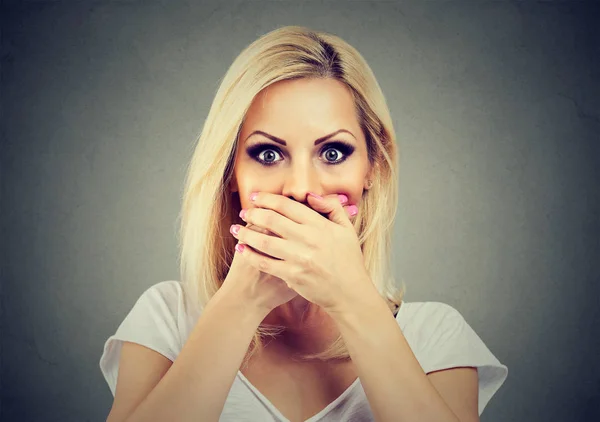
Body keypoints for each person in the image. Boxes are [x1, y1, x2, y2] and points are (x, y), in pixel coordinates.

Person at [99, 25, 508, 422]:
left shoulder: (434, 335)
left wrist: (351, 298)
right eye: (267, 154)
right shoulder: (168, 318)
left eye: (333, 153)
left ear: (374, 167)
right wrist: (243, 300)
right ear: (231, 175)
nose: (299, 188)